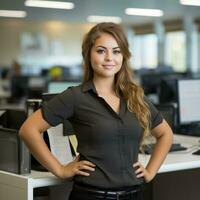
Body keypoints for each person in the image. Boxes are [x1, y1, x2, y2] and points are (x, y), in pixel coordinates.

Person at [19, 22, 173, 200]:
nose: (109, 58)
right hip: (92, 195)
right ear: (88, 55)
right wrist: (60, 169)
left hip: (135, 194)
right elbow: (28, 130)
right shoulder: (75, 96)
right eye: (101, 51)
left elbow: (165, 134)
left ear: (123, 56)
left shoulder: (135, 96)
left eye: (116, 51)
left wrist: (151, 171)